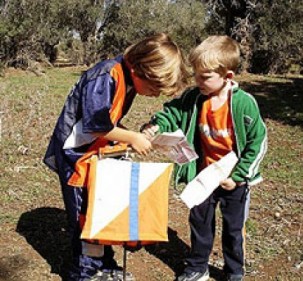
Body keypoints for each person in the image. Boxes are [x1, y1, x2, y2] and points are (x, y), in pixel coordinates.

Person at [43, 33, 188, 281]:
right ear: (140, 69)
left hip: (95, 150)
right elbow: (95, 124)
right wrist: (132, 138)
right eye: (154, 88)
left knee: (103, 205)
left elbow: (110, 120)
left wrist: (136, 136)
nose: (155, 94)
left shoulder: (127, 79)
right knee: (85, 213)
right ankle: (83, 272)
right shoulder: (107, 76)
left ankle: (102, 263)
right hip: (75, 154)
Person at [142, 35, 267, 281]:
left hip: (234, 179)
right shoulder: (194, 98)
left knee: (233, 229)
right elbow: (173, 112)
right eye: (196, 74)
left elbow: (258, 141)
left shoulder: (244, 104)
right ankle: (197, 267)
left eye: (205, 77)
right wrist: (156, 126)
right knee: (199, 223)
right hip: (202, 174)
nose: (198, 81)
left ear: (228, 76)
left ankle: (234, 271)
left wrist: (239, 176)